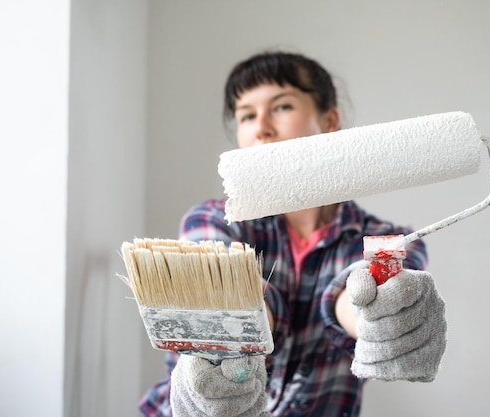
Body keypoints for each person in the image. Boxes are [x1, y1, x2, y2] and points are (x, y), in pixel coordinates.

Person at [139, 50, 447, 417]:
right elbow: (243, 308)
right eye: (247, 115)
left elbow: (357, 294)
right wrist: (237, 337)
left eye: (281, 107)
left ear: (330, 120)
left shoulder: (387, 240)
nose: (261, 127)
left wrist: (378, 314)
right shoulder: (210, 221)